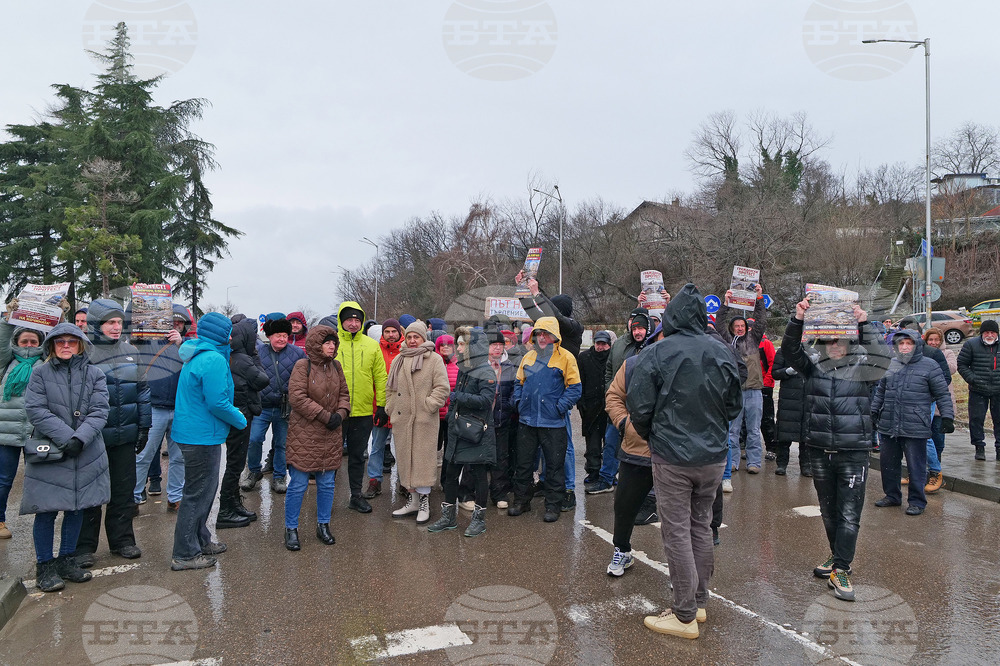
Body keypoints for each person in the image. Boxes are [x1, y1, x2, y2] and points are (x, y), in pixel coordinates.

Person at [627, 284, 743, 638]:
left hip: (673, 456)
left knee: (677, 530)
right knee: (700, 526)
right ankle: (698, 601)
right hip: (711, 456)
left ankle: (684, 613)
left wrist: (654, 436)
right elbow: (734, 405)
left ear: (672, 317)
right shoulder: (721, 351)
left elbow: (639, 406)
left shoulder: (658, 353)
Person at [781, 297, 890, 602]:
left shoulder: (863, 367)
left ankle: (842, 568)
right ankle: (835, 555)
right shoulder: (812, 365)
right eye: (829, 341)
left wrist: (865, 323)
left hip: (853, 451)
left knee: (849, 513)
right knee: (828, 511)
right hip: (818, 448)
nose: (835, 346)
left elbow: (883, 355)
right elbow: (789, 351)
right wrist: (798, 318)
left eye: (840, 340)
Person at [22, 323, 110, 592]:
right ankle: (45, 566)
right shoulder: (40, 374)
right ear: (51, 345)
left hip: (85, 449)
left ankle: (67, 560)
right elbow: (35, 409)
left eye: (72, 341)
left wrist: (80, 438)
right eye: (60, 342)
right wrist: (66, 438)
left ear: (81, 344)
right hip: (51, 451)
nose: (66, 346)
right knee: (46, 511)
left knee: (76, 507)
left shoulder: (95, 374)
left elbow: (100, 411)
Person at [75, 300, 151, 567]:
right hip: (93, 438)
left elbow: (142, 390)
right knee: (91, 493)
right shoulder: (82, 353)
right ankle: (83, 547)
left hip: (125, 435)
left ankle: (122, 541)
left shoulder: (131, 350)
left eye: (119, 322)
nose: (116, 327)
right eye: (110, 322)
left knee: (123, 490)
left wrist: (144, 425)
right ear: (97, 324)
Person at [169, 313, 247, 571]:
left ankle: (201, 540)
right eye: (228, 332)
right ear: (221, 334)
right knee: (197, 495)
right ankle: (185, 554)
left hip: (195, 433)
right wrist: (240, 418)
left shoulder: (198, 353)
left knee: (203, 492)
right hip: (200, 436)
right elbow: (217, 402)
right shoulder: (213, 359)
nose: (231, 336)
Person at [507, 317, 582, 523]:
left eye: (546, 333)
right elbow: (518, 383)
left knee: (555, 465)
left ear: (554, 336)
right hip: (527, 421)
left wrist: (559, 407)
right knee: (523, 464)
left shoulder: (566, 357)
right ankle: (522, 501)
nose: (541, 337)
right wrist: (520, 402)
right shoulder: (528, 357)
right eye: (538, 333)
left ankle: (553, 505)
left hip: (553, 423)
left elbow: (575, 388)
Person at [871, 328, 953, 516]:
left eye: (909, 343)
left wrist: (947, 417)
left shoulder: (930, 365)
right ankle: (892, 496)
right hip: (889, 423)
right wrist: (873, 412)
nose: (905, 347)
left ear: (916, 345)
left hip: (915, 423)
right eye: (902, 343)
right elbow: (881, 392)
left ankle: (917, 501)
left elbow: (942, 393)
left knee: (916, 466)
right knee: (888, 464)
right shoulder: (890, 364)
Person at [283, 325, 350, 550]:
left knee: (327, 483)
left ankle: (323, 525)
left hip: (330, 433)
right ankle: (291, 528)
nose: (332, 346)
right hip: (305, 433)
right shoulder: (303, 366)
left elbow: (344, 394)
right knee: (299, 484)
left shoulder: (336, 367)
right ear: (316, 344)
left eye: (334, 342)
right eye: (327, 342)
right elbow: (297, 398)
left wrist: (340, 415)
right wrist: (324, 416)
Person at [427, 326, 498, 537]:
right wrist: (451, 415)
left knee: (478, 476)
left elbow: (486, 401)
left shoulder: (485, 371)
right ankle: (449, 517)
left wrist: (457, 397)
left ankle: (479, 520)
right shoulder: (464, 368)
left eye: (461, 344)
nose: (457, 347)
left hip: (476, 432)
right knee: (450, 474)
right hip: (458, 430)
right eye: (457, 343)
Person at [387, 321, 450, 524]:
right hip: (402, 420)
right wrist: (390, 407)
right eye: (410, 337)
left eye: (417, 337)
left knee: (423, 461)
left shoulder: (434, 359)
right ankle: (412, 501)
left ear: (424, 338)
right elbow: (389, 387)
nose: (413, 341)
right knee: (405, 461)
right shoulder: (398, 359)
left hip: (424, 420)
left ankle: (424, 502)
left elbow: (442, 387)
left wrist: (428, 405)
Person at [331, 301, 388, 513]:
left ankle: (355, 495)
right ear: (341, 321)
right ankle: (327, 499)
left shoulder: (372, 345)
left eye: (357, 320)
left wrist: (381, 406)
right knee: (332, 457)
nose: (353, 323)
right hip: (336, 411)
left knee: (357, 456)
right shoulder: (333, 344)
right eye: (349, 319)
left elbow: (380, 376)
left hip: (363, 411)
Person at [132, 304, 189, 511]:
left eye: (180, 322)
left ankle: (175, 497)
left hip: (180, 410)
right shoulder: (149, 341)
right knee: (143, 456)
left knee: (179, 458)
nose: (176, 325)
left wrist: (180, 344)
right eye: (172, 322)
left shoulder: (189, 345)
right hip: (154, 408)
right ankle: (134, 498)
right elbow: (134, 330)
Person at [241, 317, 305, 494]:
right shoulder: (258, 353)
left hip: (284, 407)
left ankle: (279, 476)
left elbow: (303, 378)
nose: (282, 339)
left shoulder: (297, 354)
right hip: (262, 406)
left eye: (285, 335)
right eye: (278, 335)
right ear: (269, 336)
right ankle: (254, 471)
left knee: (282, 444)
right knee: (254, 439)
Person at [590, 309, 649, 495]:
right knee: (610, 443)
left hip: (641, 408)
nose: (637, 330)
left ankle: (640, 487)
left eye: (641, 327)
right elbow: (609, 369)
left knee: (639, 449)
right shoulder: (620, 345)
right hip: (618, 406)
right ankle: (606, 479)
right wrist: (611, 389)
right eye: (634, 325)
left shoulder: (654, 346)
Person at [218, 317, 269, 528]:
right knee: (235, 464)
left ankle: (233, 504)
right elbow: (263, 380)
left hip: (236, 414)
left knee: (235, 463)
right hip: (241, 415)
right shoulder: (242, 359)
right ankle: (226, 510)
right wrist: (255, 356)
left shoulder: (228, 356)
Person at [715, 285, 768, 476]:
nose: (739, 328)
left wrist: (759, 298)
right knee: (732, 431)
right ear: (732, 328)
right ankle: (734, 461)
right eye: (736, 326)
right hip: (734, 391)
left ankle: (754, 462)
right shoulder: (728, 341)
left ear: (747, 328)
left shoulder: (753, 339)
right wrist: (725, 305)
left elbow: (761, 321)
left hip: (754, 390)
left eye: (742, 326)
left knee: (754, 430)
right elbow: (719, 323)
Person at [0, 317, 44, 540]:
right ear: (17, 341)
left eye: (34, 341)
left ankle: (43, 519)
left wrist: (59, 318)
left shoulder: (46, 362)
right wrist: (8, 320)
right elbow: (1, 341)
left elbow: (58, 341)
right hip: (5, 433)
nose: (29, 345)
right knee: (3, 480)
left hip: (36, 432)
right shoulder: (6, 362)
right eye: (25, 341)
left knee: (39, 479)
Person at [363, 318, 404, 499]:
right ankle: (374, 481)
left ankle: (404, 482)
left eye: (393, 331)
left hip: (401, 406)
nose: (390, 335)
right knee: (377, 445)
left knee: (402, 446)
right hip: (379, 405)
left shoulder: (406, 350)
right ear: (383, 334)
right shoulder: (375, 349)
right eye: (387, 332)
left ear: (398, 332)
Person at [957, 319, 1000, 461]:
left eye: (992, 332)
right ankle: (979, 447)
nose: (989, 335)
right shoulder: (971, 345)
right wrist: (973, 379)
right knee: (976, 419)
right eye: (986, 332)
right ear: (981, 333)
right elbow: (962, 364)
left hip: (998, 390)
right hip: (978, 390)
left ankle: (999, 449)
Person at [922, 327, 957, 492]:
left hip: (940, 404)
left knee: (937, 439)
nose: (934, 343)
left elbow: (951, 369)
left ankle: (935, 471)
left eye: (937, 340)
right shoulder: (921, 354)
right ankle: (924, 472)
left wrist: (935, 358)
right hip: (926, 402)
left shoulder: (946, 353)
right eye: (931, 340)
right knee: (924, 439)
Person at [771, 347, 811, 477]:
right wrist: (787, 371)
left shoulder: (813, 351)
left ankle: (806, 465)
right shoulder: (784, 351)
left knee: (806, 434)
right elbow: (775, 373)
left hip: (808, 398)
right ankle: (781, 464)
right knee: (784, 433)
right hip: (789, 399)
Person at [578, 330, 611, 488]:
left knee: (610, 441)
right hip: (590, 407)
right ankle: (593, 470)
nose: (601, 347)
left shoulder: (612, 358)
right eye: (598, 343)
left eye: (604, 344)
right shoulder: (584, 358)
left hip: (609, 406)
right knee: (592, 441)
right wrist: (581, 402)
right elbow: (580, 381)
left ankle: (609, 472)